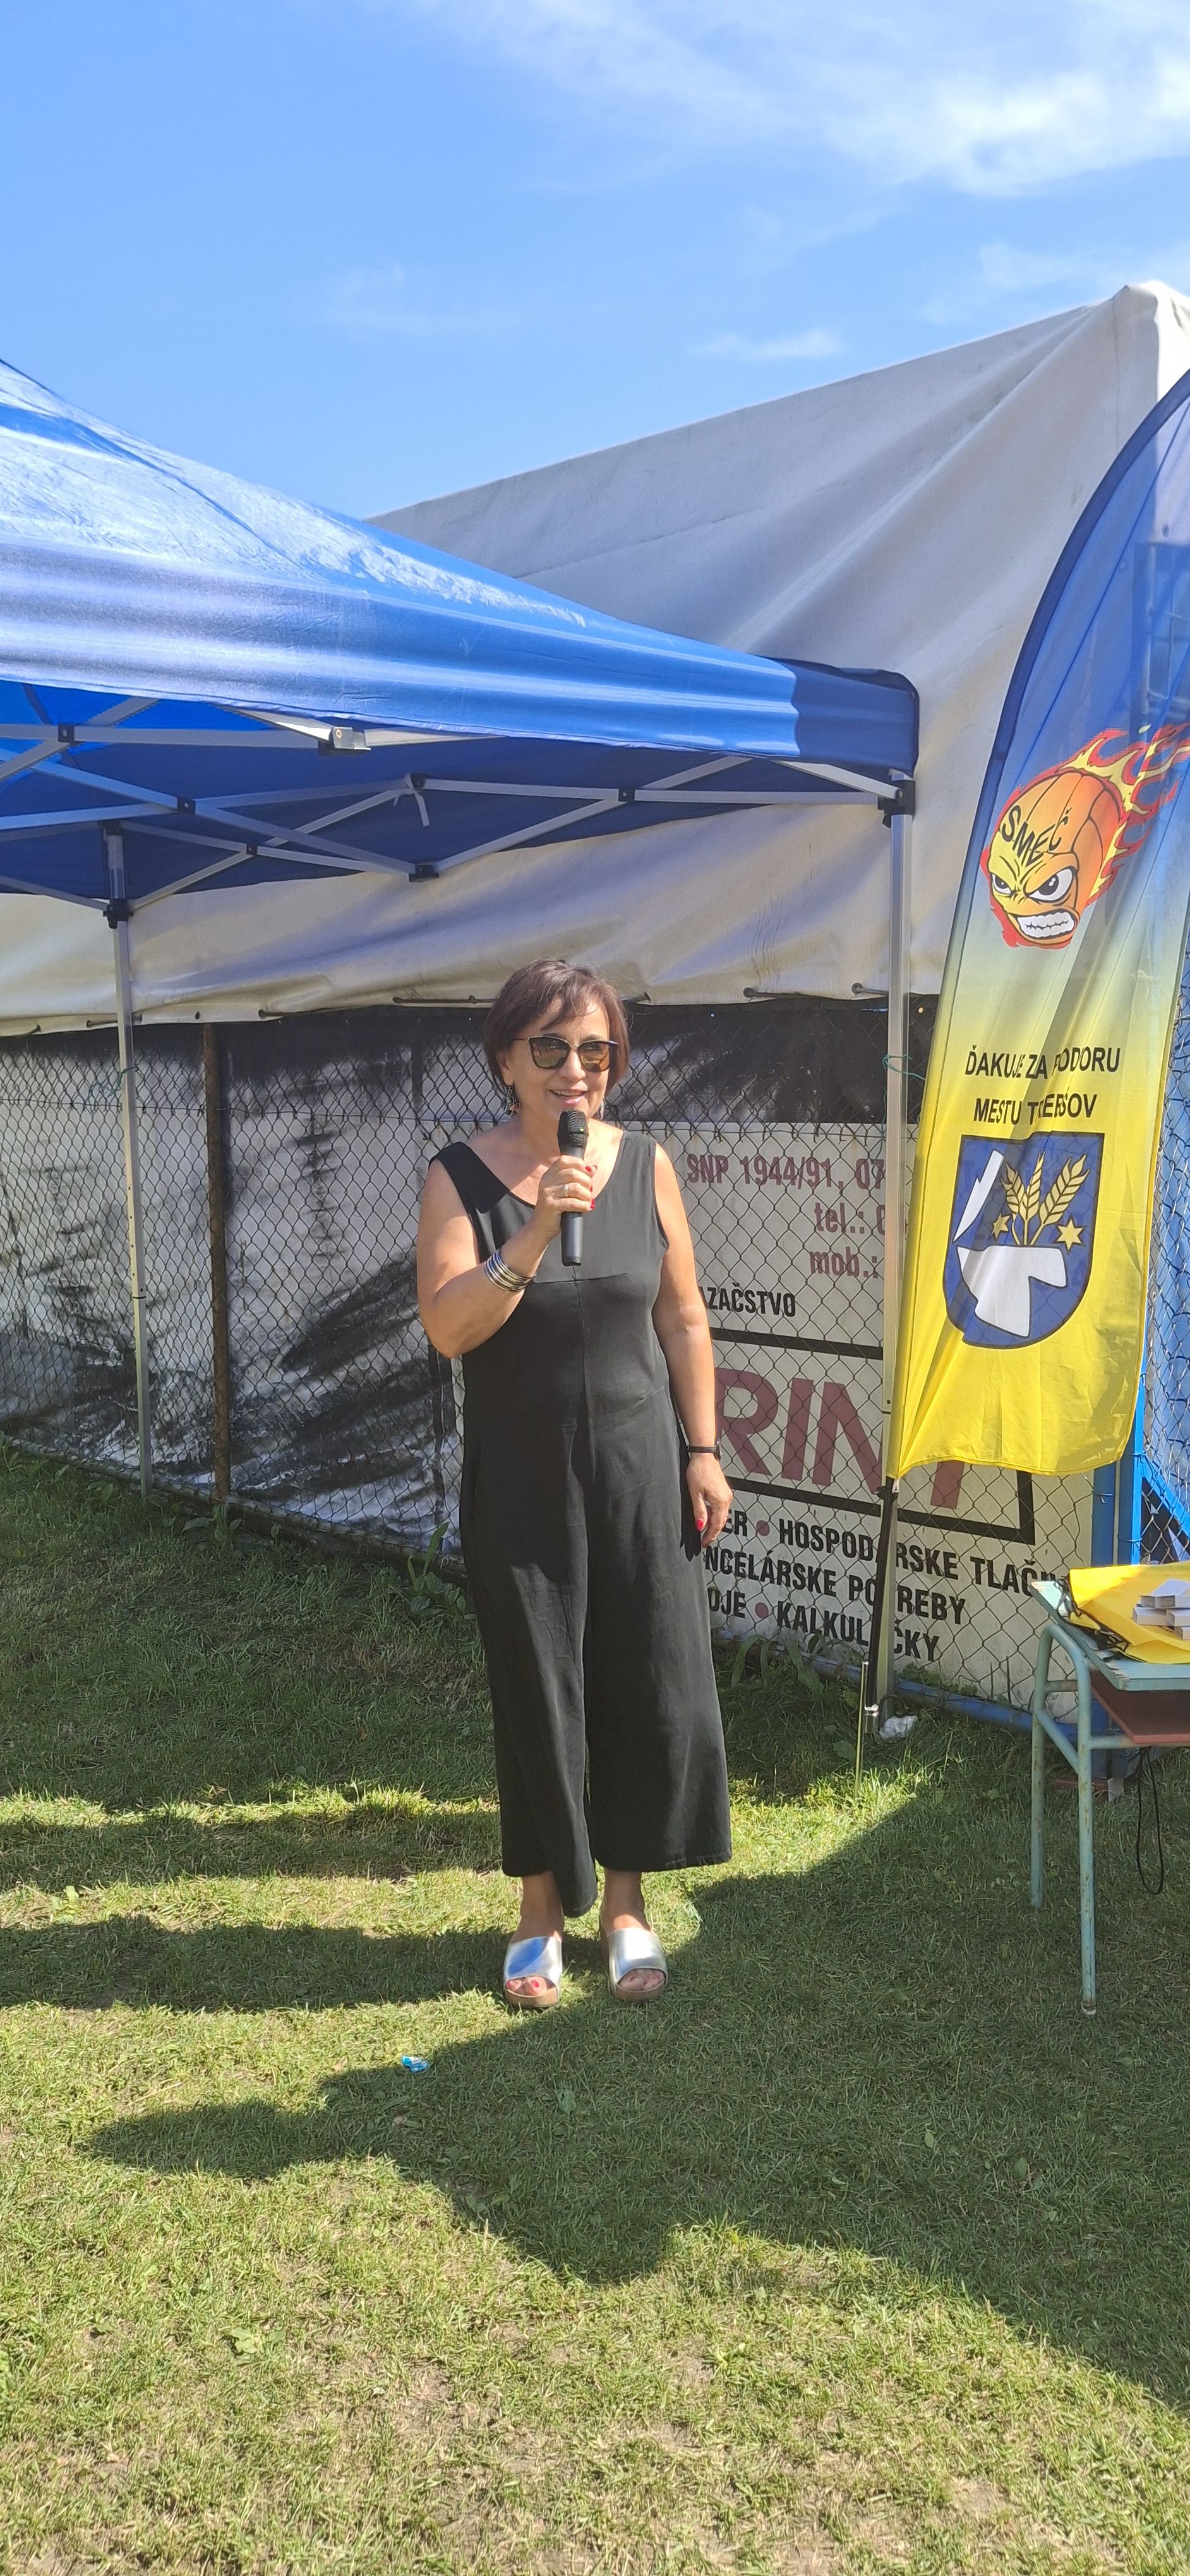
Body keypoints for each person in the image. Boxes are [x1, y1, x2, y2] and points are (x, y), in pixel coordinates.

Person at [416, 958, 733, 2008]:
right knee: (538, 1686)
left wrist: (703, 1448)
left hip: (642, 1467)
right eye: (549, 1048)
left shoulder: (645, 1165)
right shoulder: (459, 1177)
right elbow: (449, 1326)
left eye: (595, 1050)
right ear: (506, 1059)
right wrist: (541, 1227)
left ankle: (627, 1907)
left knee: (643, 1679)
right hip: (523, 1475)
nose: (575, 1069)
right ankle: (541, 1910)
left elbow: (682, 1318)